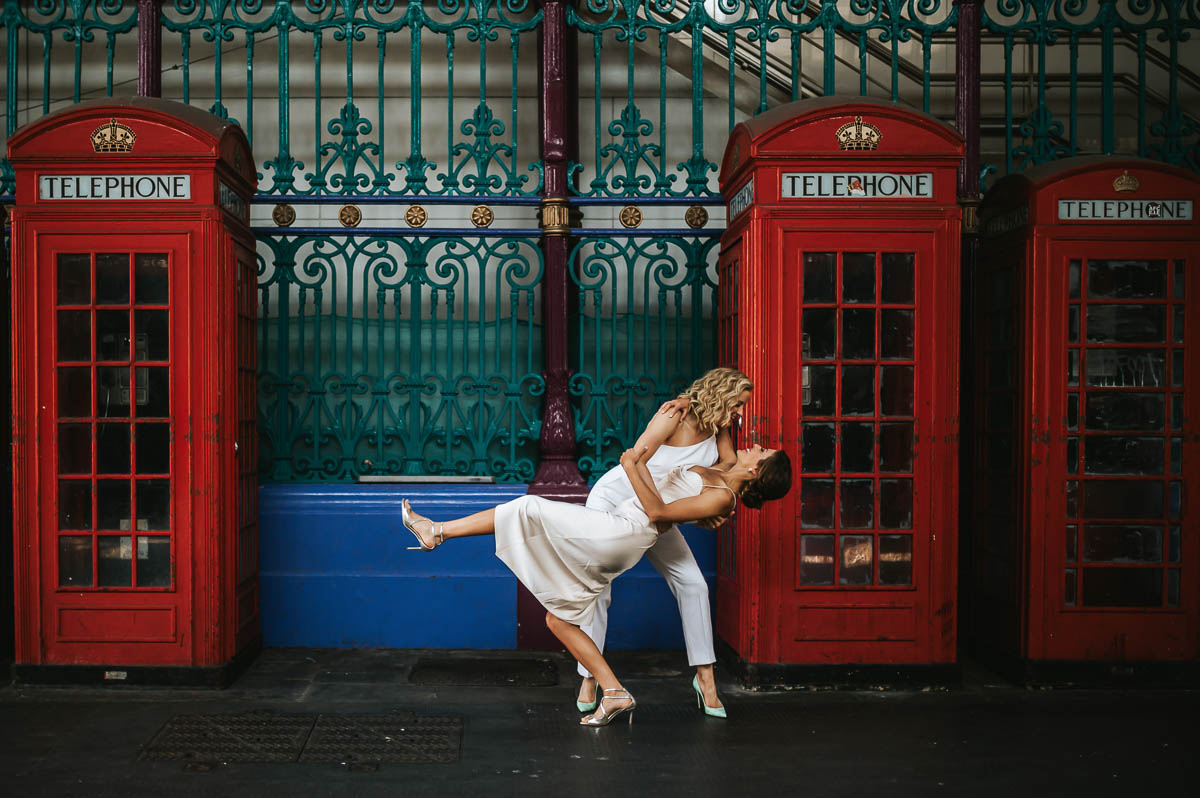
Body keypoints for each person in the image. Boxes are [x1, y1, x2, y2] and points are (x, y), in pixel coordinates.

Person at [401, 442, 792, 726]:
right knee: (558, 620)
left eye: (762, 451)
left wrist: (633, 464)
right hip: (619, 527)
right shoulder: (723, 468)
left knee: (526, 507)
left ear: (757, 471)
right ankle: (614, 691)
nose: (754, 445)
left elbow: (657, 512)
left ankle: (436, 531)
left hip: (624, 532)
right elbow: (721, 423)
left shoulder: (723, 498)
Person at [578, 367, 752, 719]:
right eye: (739, 403)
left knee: (693, 584)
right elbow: (633, 460)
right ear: (721, 393)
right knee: (599, 590)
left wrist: (708, 506)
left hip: (658, 509)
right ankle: (590, 678)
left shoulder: (719, 428)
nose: (741, 412)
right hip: (616, 499)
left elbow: (729, 465)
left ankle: (706, 680)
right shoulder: (674, 414)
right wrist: (686, 511)